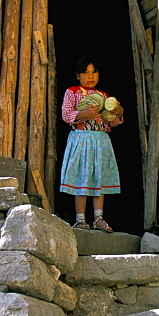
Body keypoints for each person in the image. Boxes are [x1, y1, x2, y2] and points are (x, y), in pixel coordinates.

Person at [59, 56, 123, 231]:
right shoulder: (72, 92)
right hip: (81, 139)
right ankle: (80, 219)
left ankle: (98, 218)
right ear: (78, 75)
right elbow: (66, 115)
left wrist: (117, 112)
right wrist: (84, 114)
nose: (90, 76)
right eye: (85, 73)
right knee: (82, 178)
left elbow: (112, 122)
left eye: (94, 72)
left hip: (101, 140)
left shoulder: (104, 96)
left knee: (99, 178)